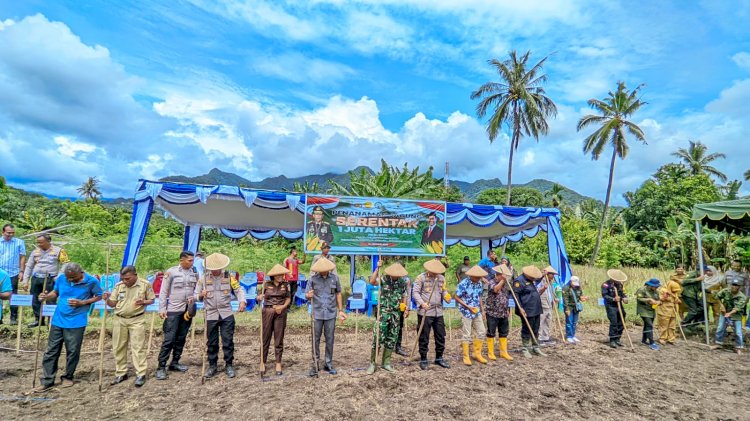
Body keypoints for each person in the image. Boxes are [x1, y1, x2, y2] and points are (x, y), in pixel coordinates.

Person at [34, 263, 102, 391]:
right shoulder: (61, 278)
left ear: (80, 273)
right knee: (51, 351)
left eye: (73, 278)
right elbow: (56, 292)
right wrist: (46, 296)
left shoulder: (92, 281)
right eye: (68, 277)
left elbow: (99, 296)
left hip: (77, 321)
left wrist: (83, 302)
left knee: (72, 351)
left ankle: (68, 376)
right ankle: (48, 380)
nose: (70, 280)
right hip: (58, 319)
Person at [102, 265, 155, 387]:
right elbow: (112, 304)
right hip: (119, 320)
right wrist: (106, 299)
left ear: (135, 275)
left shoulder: (145, 284)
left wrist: (143, 302)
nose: (125, 281)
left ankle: (141, 373)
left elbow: (152, 300)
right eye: (123, 278)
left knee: (138, 347)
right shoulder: (119, 286)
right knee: (119, 347)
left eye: (128, 278)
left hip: (137, 319)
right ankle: (121, 372)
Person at [195, 253, 246, 379]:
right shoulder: (203, 279)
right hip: (210, 313)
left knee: (227, 340)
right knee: (212, 342)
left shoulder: (229, 277)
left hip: (226, 313)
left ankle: (229, 365)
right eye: (212, 268)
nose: (214, 270)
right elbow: (195, 295)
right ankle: (212, 365)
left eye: (217, 268)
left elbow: (239, 290)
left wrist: (242, 301)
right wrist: (201, 295)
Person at [155, 251, 199, 380]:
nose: (192, 263)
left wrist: (195, 298)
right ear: (182, 260)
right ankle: (161, 366)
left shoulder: (194, 272)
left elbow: (197, 288)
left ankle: (175, 362)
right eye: (189, 260)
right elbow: (163, 292)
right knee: (169, 338)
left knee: (181, 337)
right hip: (174, 309)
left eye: (192, 260)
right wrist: (162, 308)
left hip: (188, 310)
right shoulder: (172, 272)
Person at [366, 260, 409, 375]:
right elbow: (372, 281)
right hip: (383, 313)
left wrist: (405, 308)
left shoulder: (402, 282)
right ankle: (372, 363)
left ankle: (386, 363)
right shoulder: (384, 279)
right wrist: (377, 268)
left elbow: (404, 295)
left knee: (391, 339)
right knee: (378, 338)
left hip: (395, 314)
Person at [306, 257, 346, 377]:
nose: (323, 271)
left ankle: (328, 363)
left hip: (330, 313)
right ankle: (315, 364)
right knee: (315, 339)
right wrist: (309, 295)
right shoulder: (312, 279)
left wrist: (341, 310)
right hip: (317, 313)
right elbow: (307, 295)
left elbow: (338, 293)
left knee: (330, 338)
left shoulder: (334, 278)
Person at [22, 234, 70, 328]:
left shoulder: (59, 250)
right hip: (36, 278)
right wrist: (25, 280)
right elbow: (29, 266)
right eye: (38, 242)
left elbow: (66, 264)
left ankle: (51, 320)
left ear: (48, 241)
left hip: (50, 278)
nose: (39, 244)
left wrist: (59, 276)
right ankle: (38, 320)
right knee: (35, 299)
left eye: (41, 242)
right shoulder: (35, 251)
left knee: (50, 299)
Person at [413, 259, 452, 370]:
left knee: (440, 335)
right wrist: (422, 303)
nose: (436, 273)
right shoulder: (421, 278)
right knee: (424, 336)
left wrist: (447, 296)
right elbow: (415, 293)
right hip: (425, 312)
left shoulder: (441, 278)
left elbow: (443, 290)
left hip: (438, 312)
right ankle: (424, 358)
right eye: (434, 271)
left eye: (437, 271)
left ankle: (439, 358)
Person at [257, 264, 292, 376]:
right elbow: (258, 297)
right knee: (265, 337)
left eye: (282, 274)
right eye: (278, 275)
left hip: (280, 312)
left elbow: (288, 298)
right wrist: (259, 298)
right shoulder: (266, 284)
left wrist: (282, 307)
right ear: (273, 276)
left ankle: (278, 362)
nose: (280, 276)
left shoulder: (286, 285)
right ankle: (263, 361)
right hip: (267, 311)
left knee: (279, 337)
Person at [455, 265, 488, 366]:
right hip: (466, 311)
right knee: (467, 333)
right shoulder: (463, 283)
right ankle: (466, 356)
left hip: (477, 310)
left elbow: (479, 297)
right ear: (471, 275)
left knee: (482, 331)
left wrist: (482, 311)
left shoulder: (479, 284)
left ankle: (476, 353)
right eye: (476, 276)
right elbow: (456, 297)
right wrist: (468, 307)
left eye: (479, 277)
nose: (478, 278)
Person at [512, 266, 545, 358]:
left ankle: (535, 347)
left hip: (536, 308)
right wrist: (520, 308)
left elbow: (537, 280)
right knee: (527, 328)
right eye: (533, 277)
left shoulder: (531, 280)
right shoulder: (519, 281)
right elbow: (516, 295)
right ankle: (525, 348)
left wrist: (543, 275)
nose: (534, 278)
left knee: (536, 328)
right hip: (527, 309)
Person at [486, 264, 514, 361]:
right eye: (502, 276)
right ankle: (490, 352)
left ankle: (503, 352)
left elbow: (506, 297)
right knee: (491, 332)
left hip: (503, 312)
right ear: (498, 275)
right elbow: (496, 289)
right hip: (492, 312)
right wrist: (502, 280)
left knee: (504, 332)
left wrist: (507, 309)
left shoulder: (506, 284)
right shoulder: (491, 282)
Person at [0, 224, 26, 324]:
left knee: (13, 295)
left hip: (13, 273)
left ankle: (13, 318)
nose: (11, 235)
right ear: (3, 232)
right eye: (8, 233)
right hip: (1, 273)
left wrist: (21, 271)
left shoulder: (19, 242)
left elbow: (22, 257)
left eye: (12, 233)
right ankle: (0, 318)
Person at [713, 278, 747, 353]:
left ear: (740, 287)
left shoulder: (742, 297)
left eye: (736, 285)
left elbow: (738, 308)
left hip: (736, 315)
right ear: (730, 285)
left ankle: (739, 348)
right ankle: (718, 343)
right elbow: (717, 297)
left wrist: (729, 313)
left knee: (738, 332)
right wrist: (721, 306)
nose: (734, 287)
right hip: (724, 313)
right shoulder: (725, 291)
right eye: (733, 285)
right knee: (720, 328)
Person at [602, 269, 629, 348]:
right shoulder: (605, 285)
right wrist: (613, 299)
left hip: (619, 305)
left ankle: (618, 339)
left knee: (622, 321)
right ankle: (612, 340)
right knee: (614, 322)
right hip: (611, 306)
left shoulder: (620, 285)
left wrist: (625, 298)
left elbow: (623, 293)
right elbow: (605, 295)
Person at [681, 266, 709, 334]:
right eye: (705, 271)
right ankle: (684, 324)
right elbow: (683, 282)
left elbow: (699, 287)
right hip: (688, 294)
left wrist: (709, 291)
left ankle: (694, 323)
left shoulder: (701, 276)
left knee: (703, 308)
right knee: (693, 311)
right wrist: (697, 279)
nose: (706, 272)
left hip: (695, 295)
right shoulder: (692, 273)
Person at [635, 279, 661, 350]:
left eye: (657, 286)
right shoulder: (642, 289)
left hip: (651, 310)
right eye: (655, 286)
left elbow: (659, 299)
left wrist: (658, 302)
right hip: (643, 310)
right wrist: (649, 299)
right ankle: (652, 343)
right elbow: (639, 298)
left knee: (647, 325)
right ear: (650, 285)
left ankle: (644, 340)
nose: (656, 288)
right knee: (649, 325)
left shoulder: (656, 291)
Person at [657, 274, 682, 346]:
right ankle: (662, 338)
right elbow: (659, 299)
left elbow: (678, 301)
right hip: (664, 311)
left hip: (673, 311)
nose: (675, 293)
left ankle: (671, 338)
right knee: (663, 325)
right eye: (674, 291)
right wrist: (665, 297)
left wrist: (677, 300)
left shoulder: (674, 293)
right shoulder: (663, 290)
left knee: (672, 326)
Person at [536, 266, 558, 343]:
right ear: (548, 274)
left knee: (548, 320)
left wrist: (554, 298)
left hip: (550, 304)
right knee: (541, 320)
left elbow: (551, 292)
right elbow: (537, 291)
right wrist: (543, 288)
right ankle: (539, 337)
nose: (553, 276)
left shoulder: (551, 282)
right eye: (552, 274)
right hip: (543, 303)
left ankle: (545, 337)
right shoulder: (541, 281)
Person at [562, 276, 586, 343]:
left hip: (576, 307)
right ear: (570, 282)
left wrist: (583, 298)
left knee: (575, 322)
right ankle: (569, 336)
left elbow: (580, 296)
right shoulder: (566, 288)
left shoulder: (578, 288)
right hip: (569, 307)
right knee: (569, 322)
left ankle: (573, 335)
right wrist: (566, 309)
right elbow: (565, 300)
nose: (575, 285)